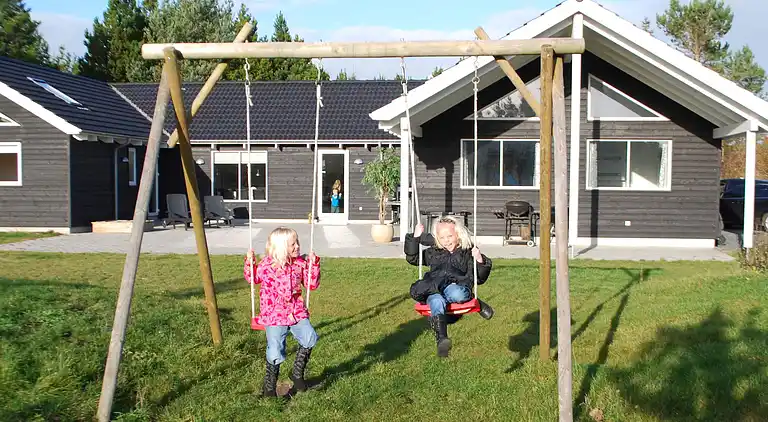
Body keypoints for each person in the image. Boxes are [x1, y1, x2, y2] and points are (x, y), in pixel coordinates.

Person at [244, 227, 321, 397]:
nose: (297, 246)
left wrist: (314, 265)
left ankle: (296, 373)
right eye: (293, 244)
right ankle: (269, 388)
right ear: (280, 248)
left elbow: (311, 285)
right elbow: (253, 279)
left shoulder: (301, 263)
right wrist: (250, 262)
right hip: (274, 314)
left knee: (310, 338)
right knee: (275, 351)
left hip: (296, 312)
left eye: (297, 242)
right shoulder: (267, 265)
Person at [404, 216, 494, 357]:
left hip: (456, 287)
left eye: (450, 236)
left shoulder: (466, 252)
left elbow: (479, 278)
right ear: (437, 238)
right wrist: (415, 238)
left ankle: (476, 302)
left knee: (456, 294)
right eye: (442, 237)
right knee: (435, 301)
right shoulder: (434, 252)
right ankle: (442, 339)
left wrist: (479, 260)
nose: (446, 240)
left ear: (458, 234)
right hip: (435, 288)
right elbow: (413, 258)